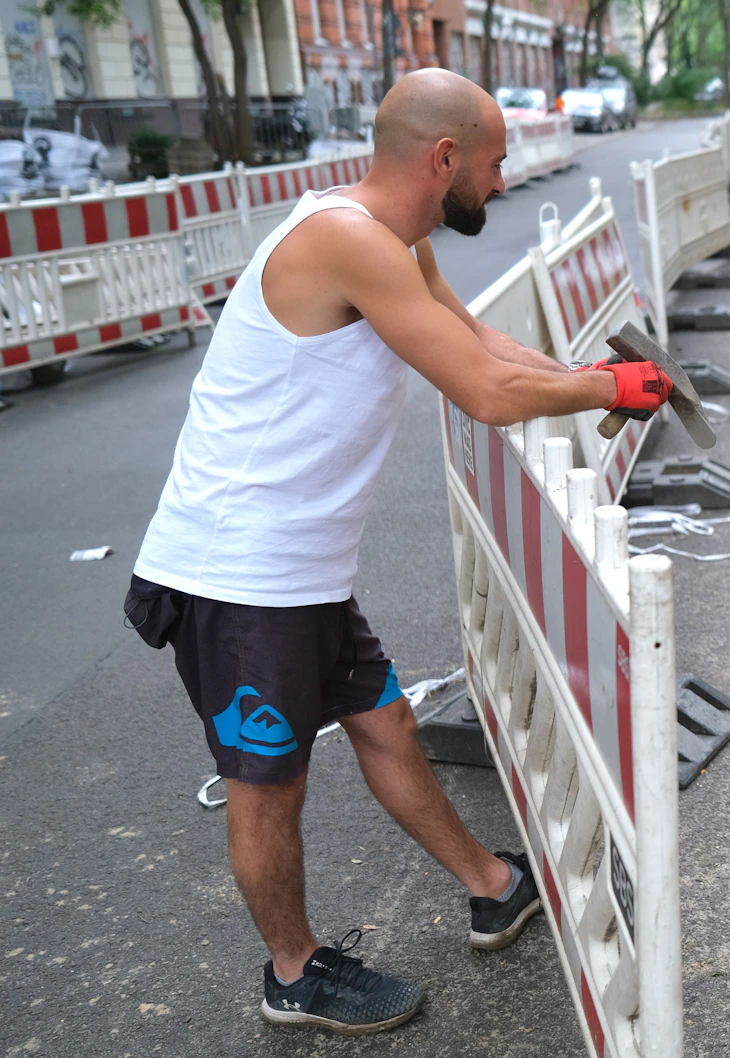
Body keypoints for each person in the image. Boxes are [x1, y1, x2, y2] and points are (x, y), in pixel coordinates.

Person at [121, 70, 672, 1036]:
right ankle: (293, 974)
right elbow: (485, 395)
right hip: (238, 576)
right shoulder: (345, 240)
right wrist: (603, 394)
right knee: (267, 785)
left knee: (382, 723)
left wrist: (598, 374)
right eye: (495, 165)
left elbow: (483, 345)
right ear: (443, 158)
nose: (502, 184)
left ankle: (494, 886)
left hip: (299, 572)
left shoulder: (397, 245)